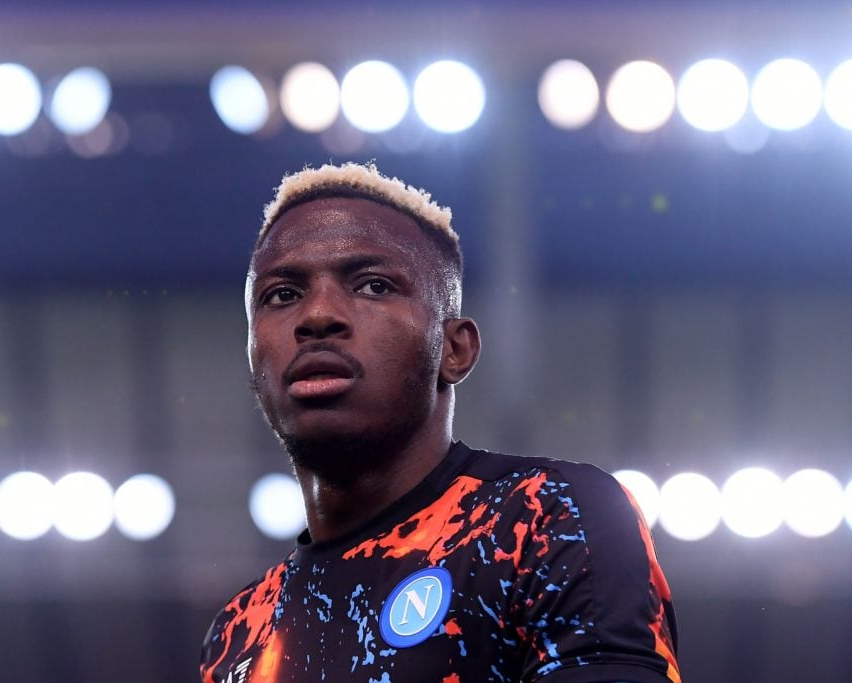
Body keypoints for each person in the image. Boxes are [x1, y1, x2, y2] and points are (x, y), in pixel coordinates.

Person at [199, 162, 681, 683]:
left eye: (373, 285)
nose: (317, 315)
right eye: (282, 295)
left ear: (455, 349)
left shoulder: (546, 515)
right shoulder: (238, 630)